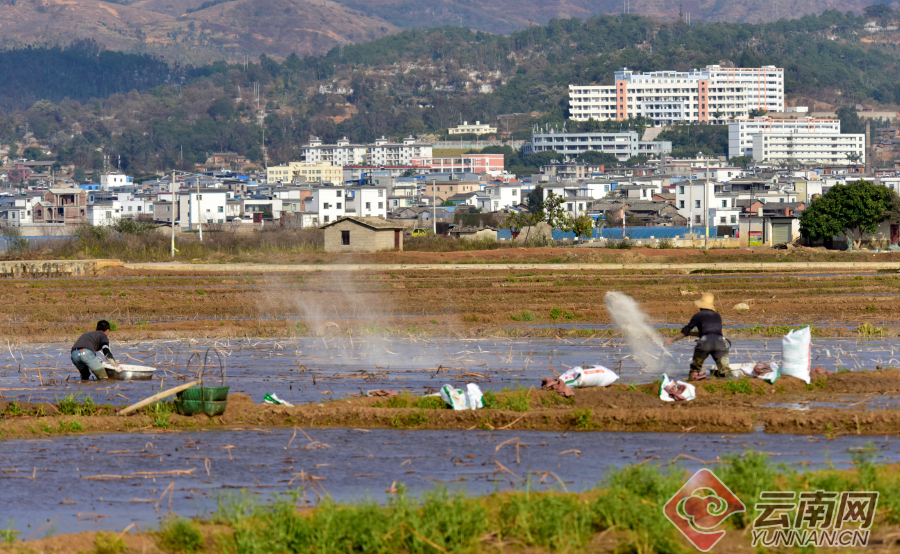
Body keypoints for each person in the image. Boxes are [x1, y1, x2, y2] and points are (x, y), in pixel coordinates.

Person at [664, 292, 732, 381]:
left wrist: (672, 340)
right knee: (725, 371)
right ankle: (729, 384)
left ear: (701, 305)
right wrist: (691, 334)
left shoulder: (698, 315)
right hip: (719, 343)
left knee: (695, 369)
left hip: (705, 343)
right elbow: (710, 332)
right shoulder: (717, 315)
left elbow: (685, 331)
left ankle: (693, 382)